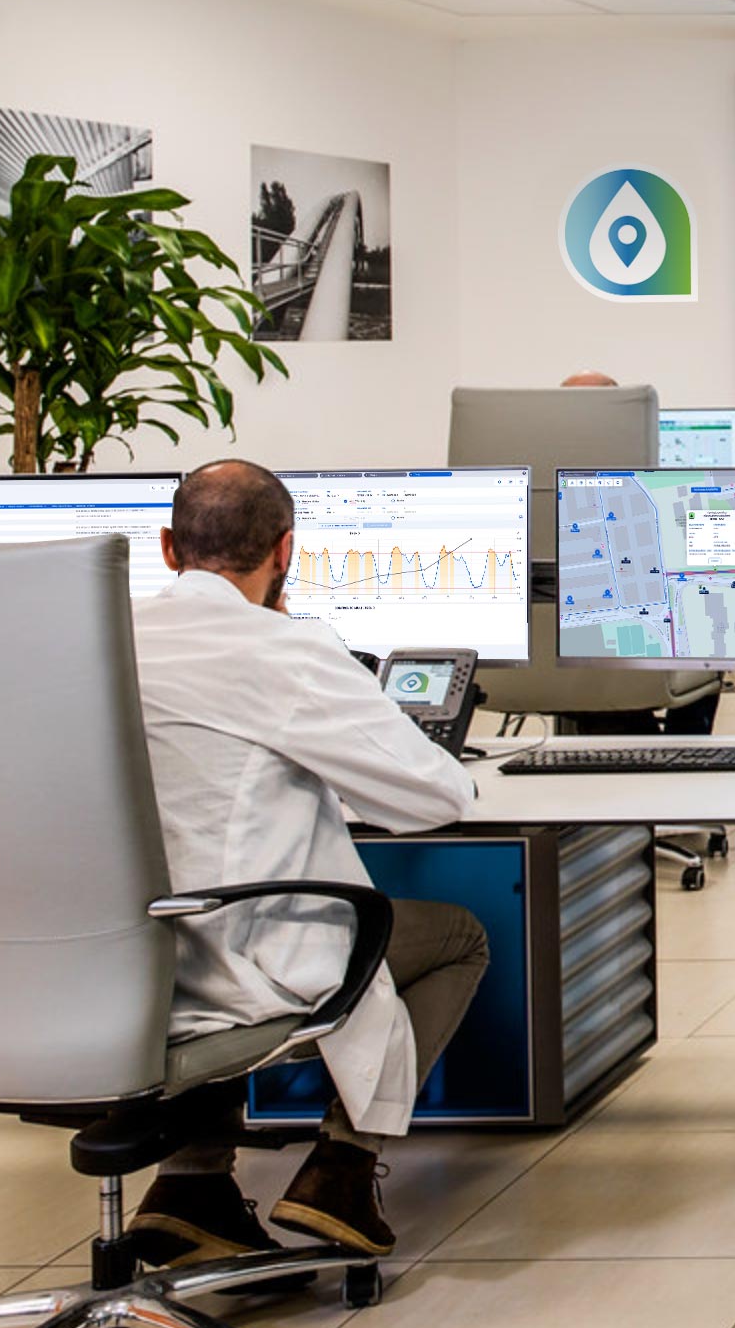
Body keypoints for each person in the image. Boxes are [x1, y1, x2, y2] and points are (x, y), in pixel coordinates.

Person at [120, 459, 491, 1266]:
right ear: (287, 550)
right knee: (458, 937)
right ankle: (343, 1169)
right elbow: (435, 799)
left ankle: (190, 1182)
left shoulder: (98, 642)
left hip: (117, 962)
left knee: (188, 914)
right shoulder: (284, 649)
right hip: (246, 952)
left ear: (166, 548)